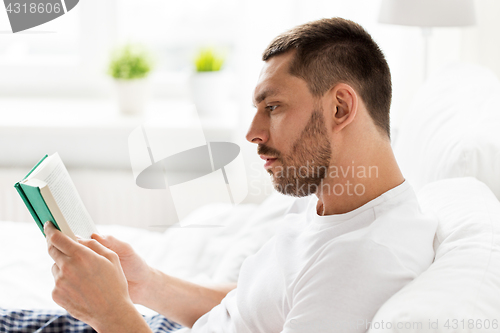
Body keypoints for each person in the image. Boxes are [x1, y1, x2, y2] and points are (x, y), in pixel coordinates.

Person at [1, 17, 437, 332]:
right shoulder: (333, 202)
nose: (252, 133)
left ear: (340, 108)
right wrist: (144, 283)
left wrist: (111, 313)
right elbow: (257, 308)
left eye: (273, 107)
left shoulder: (364, 262)